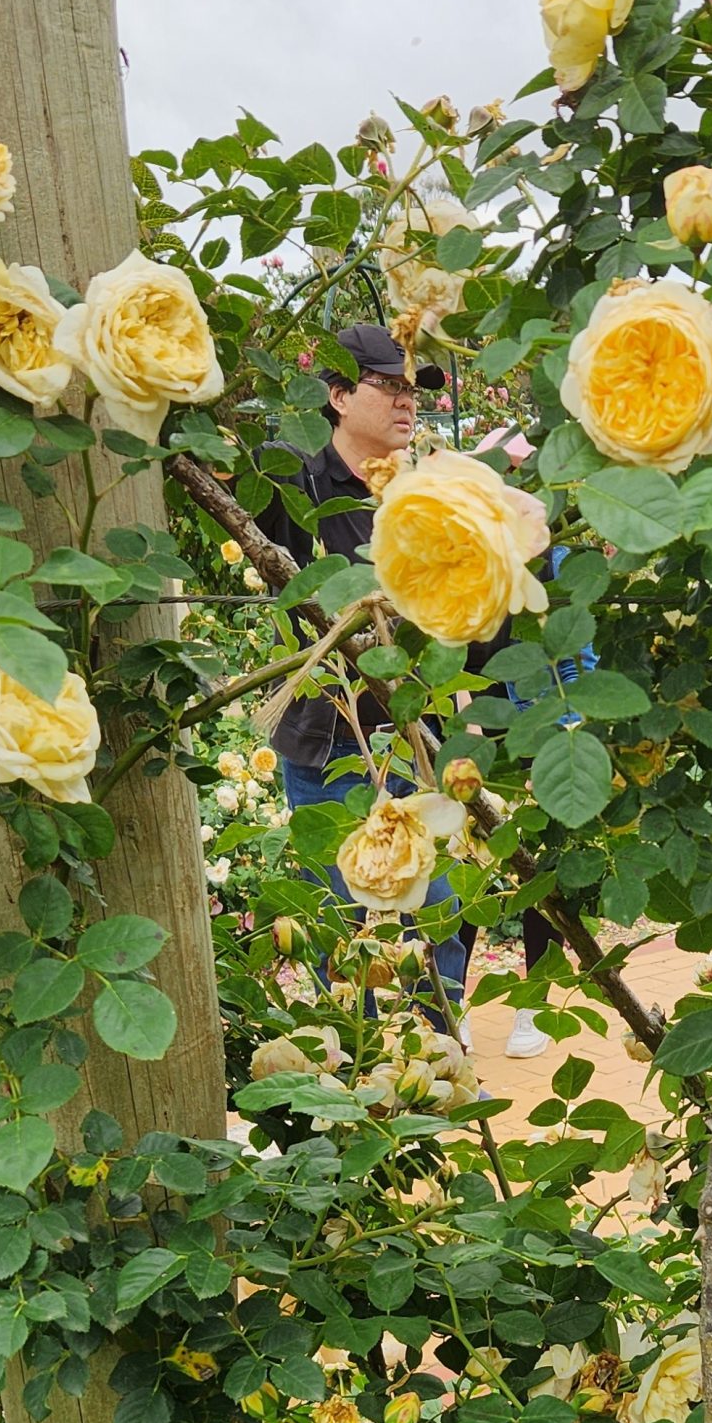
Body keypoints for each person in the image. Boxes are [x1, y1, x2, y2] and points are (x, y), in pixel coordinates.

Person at [254, 321, 473, 1015]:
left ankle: (437, 1066)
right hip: (329, 746)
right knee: (339, 930)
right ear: (339, 396)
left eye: (416, 390)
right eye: (390, 386)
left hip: (411, 741)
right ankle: (354, 1085)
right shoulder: (299, 481)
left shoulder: (423, 492)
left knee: (436, 919)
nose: (409, 403)